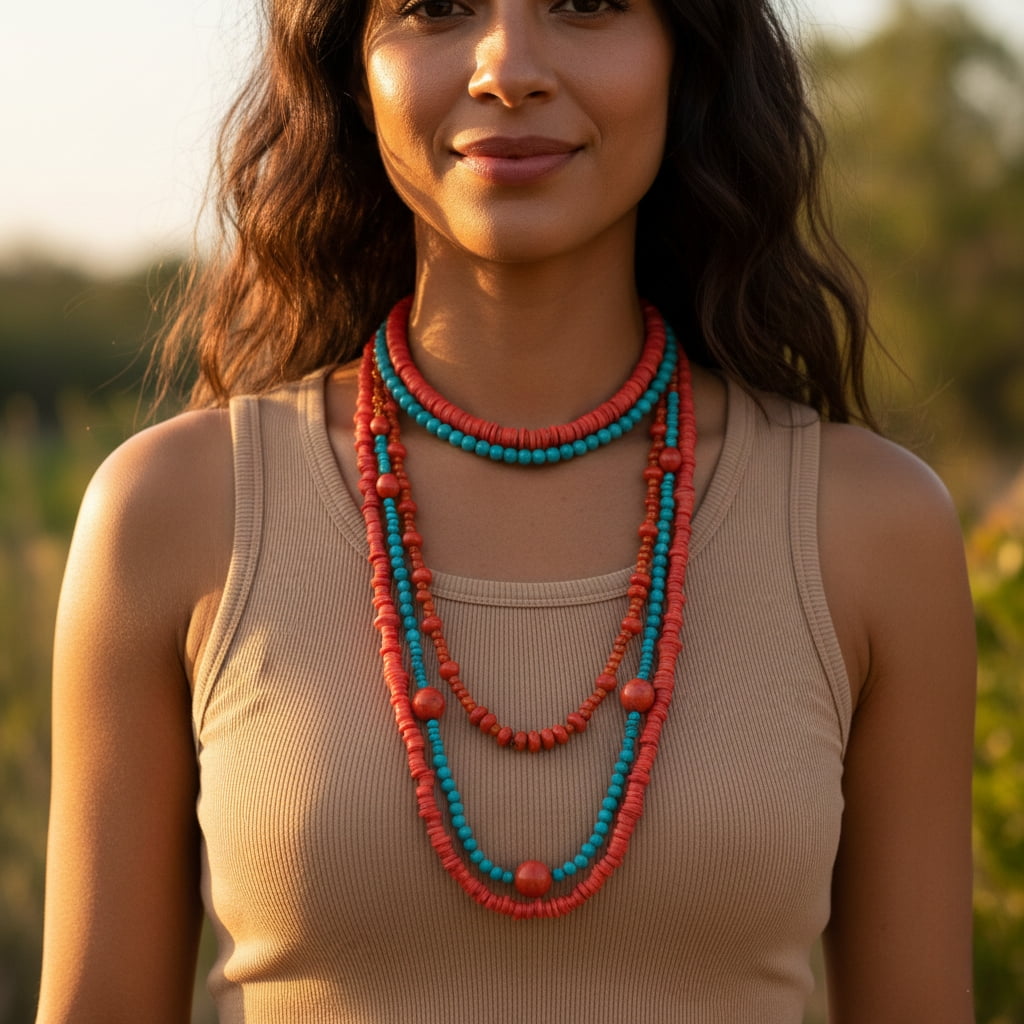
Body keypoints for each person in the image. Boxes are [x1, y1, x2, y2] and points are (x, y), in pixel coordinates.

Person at [36, 0, 977, 1020]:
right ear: (349, 69)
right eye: (436, 7)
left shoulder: (870, 529)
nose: (508, 69)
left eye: (587, 3)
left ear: (689, 54)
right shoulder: (173, 515)